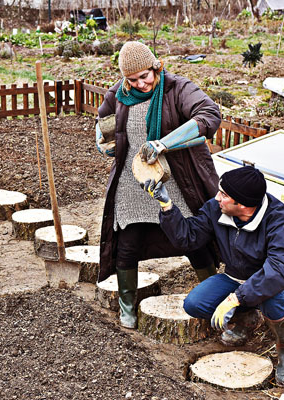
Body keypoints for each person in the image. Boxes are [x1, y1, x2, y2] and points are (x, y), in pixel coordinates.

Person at [142, 166, 284, 387]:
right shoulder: (216, 209)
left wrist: (235, 298)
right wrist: (167, 206)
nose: (217, 197)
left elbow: (279, 271)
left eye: (224, 194)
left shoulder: (277, 217)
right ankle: (247, 318)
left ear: (242, 204)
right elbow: (188, 238)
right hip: (237, 277)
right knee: (194, 304)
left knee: (272, 296)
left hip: (281, 281)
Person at [95, 41, 222, 329]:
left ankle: (216, 300)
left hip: (176, 177)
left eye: (145, 76)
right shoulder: (118, 94)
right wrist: (102, 142)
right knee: (128, 244)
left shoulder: (178, 88)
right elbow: (102, 122)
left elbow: (209, 115)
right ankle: (128, 306)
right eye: (133, 79)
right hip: (132, 181)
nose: (141, 84)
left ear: (156, 66)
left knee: (194, 240)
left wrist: (164, 143)